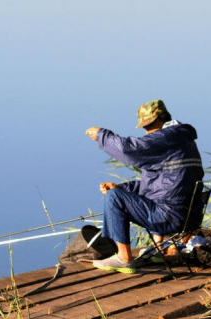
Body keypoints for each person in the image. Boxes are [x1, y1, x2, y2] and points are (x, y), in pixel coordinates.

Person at [85, 99, 203, 274]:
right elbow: (163, 184)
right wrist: (123, 187)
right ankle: (159, 249)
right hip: (189, 217)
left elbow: (129, 149)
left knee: (114, 198)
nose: (146, 132)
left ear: (159, 120)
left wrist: (102, 135)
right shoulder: (183, 140)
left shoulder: (167, 137)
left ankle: (124, 258)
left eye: (148, 126)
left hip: (169, 217)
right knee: (119, 192)